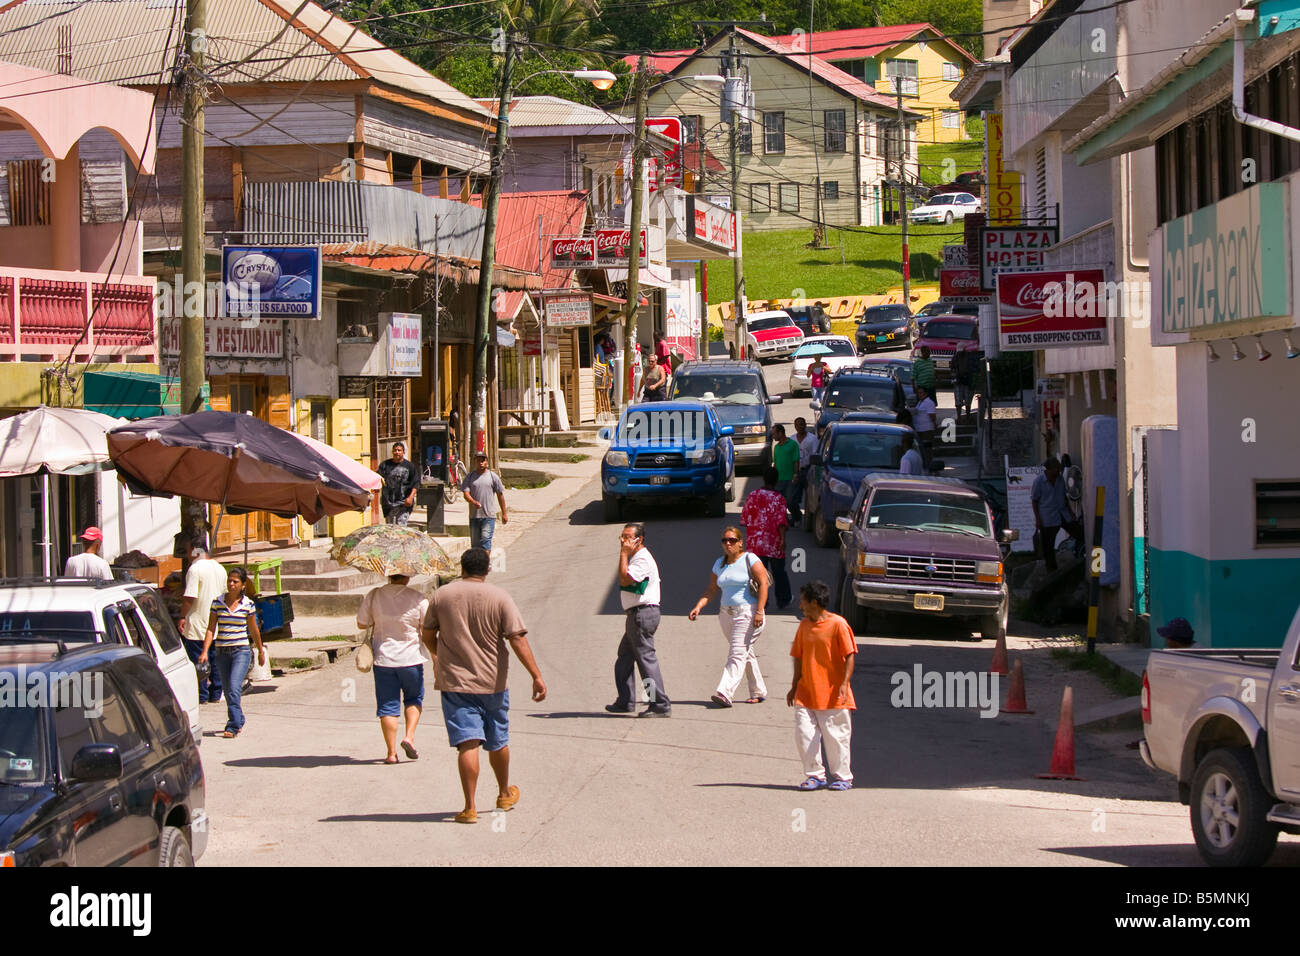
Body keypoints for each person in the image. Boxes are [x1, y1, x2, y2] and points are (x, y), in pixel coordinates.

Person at [421, 548, 546, 824]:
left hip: (456, 683)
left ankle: (469, 807)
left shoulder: (442, 595)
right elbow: (517, 639)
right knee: (498, 739)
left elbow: (427, 632)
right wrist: (536, 675)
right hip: (493, 682)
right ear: (487, 570)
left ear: (462, 568)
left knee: (468, 743)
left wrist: (439, 655)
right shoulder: (500, 597)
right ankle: (503, 793)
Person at [786, 580, 856, 791]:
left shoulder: (838, 624)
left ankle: (843, 777)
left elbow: (850, 654)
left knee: (837, 737)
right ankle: (815, 775)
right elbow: (798, 656)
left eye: (803, 602)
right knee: (804, 733)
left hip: (833, 693)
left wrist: (844, 684)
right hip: (806, 691)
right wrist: (794, 685)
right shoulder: (804, 625)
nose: (801, 606)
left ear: (815, 602)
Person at [689, 525, 769, 708]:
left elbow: (764, 583)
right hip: (726, 614)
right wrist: (698, 606)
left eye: (732, 540)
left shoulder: (750, 559)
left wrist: (759, 611)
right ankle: (758, 691)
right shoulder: (719, 563)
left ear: (740, 542)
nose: (728, 544)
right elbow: (711, 590)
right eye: (724, 540)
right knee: (743, 651)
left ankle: (725, 692)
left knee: (737, 652)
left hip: (747, 612)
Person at [357, 573, 430, 764]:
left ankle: (390, 753)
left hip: (383, 660)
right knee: (413, 698)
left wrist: (379, 620)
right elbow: (427, 627)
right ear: (408, 576)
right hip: (411, 659)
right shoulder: (418, 598)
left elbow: (361, 623)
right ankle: (409, 737)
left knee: (387, 706)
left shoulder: (374, 595)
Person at [607, 522, 671, 717]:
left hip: (642, 614)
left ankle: (659, 703)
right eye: (622, 536)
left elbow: (625, 579)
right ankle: (625, 701)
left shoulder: (642, 558)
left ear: (639, 540)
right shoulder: (635, 557)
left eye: (627, 537)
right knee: (625, 658)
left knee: (645, 661)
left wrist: (623, 554)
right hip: (636, 615)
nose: (623, 540)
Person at [199, 567, 265, 739]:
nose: (231, 584)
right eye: (229, 580)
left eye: (235, 581)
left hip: (241, 651)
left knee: (234, 687)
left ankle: (233, 725)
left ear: (243, 585)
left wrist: (260, 650)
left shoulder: (247, 605)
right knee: (228, 690)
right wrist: (205, 651)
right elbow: (211, 628)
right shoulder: (217, 603)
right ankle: (239, 717)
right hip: (221, 652)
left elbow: (253, 629)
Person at [182, 537, 229, 705]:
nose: (187, 555)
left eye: (188, 551)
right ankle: (216, 693)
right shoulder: (220, 568)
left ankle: (201, 695)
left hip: (197, 623)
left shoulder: (195, 570)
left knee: (198, 660)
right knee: (214, 660)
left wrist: (181, 617)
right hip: (215, 624)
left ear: (195, 550)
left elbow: (189, 597)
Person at [743, 468, 793, 609]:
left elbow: (746, 519)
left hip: (756, 544)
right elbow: (781, 522)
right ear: (776, 481)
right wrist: (783, 540)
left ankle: (761, 601)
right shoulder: (779, 499)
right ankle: (783, 600)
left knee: (758, 573)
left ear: (763, 479)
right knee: (779, 572)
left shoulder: (752, 496)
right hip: (774, 543)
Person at [1031, 457, 1083, 572]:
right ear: (1049, 470)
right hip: (1048, 517)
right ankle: (1051, 570)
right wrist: (1038, 519)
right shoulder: (1039, 482)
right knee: (1048, 546)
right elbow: (1034, 501)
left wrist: (1071, 512)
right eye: (1056, 470)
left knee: (1079, 533)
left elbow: (1064, 497)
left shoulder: (1059, 480)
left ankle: (1081, 556)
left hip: (1063, 514)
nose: (1058, 472)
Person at [460, 451, 508, 553]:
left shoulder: (493, 476)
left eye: (483, 460)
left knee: (486, 542)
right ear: (475, 462)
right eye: (478, 460)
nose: (480, 463)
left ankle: (484, 565)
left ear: (487, 462)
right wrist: (473, 502)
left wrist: (504, 513)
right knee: (475, 546)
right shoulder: (470, 477)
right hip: (474, 516)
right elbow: (466, 494)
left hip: (489, 516)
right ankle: (478, 565)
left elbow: (500, 495)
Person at [377, 441, 418, 526]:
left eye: (399, 450)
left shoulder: (409, 466)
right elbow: (378, 478)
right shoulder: (385, 465)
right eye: (395, 450)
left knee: (401, 526)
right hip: (389, 503)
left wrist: (410, 497)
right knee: (390, 527)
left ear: (403, 452)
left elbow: (415, 483)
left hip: (404, 502)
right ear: (392, 452)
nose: (397, 452)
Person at [787, 417, 819, 521]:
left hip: (809, 470)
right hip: (796, 472)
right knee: (791, 499)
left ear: (805, 425)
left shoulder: (813, 439)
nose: (800, 427)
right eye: (797, 425)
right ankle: (797, 517)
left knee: (811, 497)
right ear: (795, 426)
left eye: (802, 424)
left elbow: (815, 455)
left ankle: (810, 520)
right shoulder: (792, 439)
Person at [770, 423, 801, 522]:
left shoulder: (792, 444)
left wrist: (795, 474)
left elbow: (796, 461)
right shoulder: (777, 447)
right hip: (779, 479)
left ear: (780, 433)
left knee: (790, 501)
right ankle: (784, 520)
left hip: (790, 478)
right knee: (779, 502)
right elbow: (775, 463)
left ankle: (797, 517)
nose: (773, 437)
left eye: (774, 434)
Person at [913, 384, 937, 469]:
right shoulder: (919, 402)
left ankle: (928, 465)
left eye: (921, 393)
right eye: (918, 393)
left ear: (926, 394)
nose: (920, 395)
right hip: (919, 429)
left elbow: (932, 416)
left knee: (927, 449)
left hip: (926, 429)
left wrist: (934, 426)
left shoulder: (929, 403)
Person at [952, 347, 975, 418]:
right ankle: (960, 417)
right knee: (960, 402)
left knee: (966, 402)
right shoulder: (956, 357)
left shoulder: (968, 357)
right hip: (960, 381)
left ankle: (966, 417)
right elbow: (952, 369)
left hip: (966, 381)